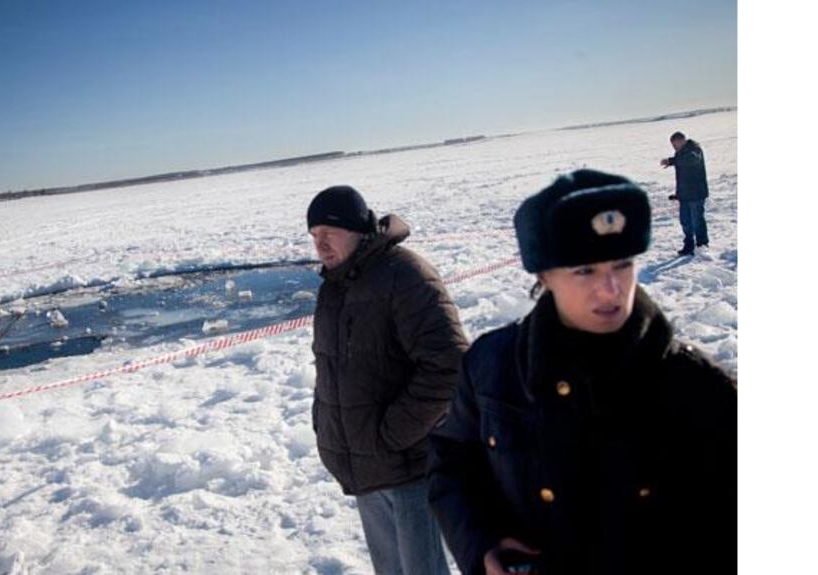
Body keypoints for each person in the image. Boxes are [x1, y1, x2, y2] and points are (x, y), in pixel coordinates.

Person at [427, 170, 736, 575]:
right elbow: (452, 462)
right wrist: (481, 544)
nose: (611, 289)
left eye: (622, 265)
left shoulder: (695, 386)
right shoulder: (493, 368)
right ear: (544, 278)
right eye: (584, 271)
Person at [307, 185, 468, 575]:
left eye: (329, 232)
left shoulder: (405, 275)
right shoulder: (336, 285)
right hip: (366, 464)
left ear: (358, 229)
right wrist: (327, 425)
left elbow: (449, 364)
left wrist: (392, 434)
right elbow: (330, 366)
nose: (321, 245)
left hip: (409, 465)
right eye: (314, 236)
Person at [660, 131, 710, 256]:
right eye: (672, 145)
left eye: (675, 144)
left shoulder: (694, 149)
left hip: (697, 193)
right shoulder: (680, 152)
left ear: (682, 141)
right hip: (685, 195)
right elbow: (682, 177)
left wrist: (672, 161)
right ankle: (689, 245)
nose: (674, 147)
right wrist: (678, 194)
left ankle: (702, 245)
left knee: (697, 220)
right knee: (685, 221)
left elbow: (691, 160)